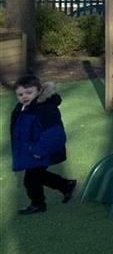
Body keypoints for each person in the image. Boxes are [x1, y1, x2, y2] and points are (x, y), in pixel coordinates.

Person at [10, 75, 77, 215]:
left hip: (40, 151)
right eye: (20, 94)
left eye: (29, 92)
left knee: (31, 180)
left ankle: (38, 204)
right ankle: (66, 185)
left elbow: (55, 134)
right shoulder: (23, 108)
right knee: (38, 176)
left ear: (39, 91)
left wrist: (39, 150)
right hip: (31, 150)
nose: (24, 97)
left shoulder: (44, 109)